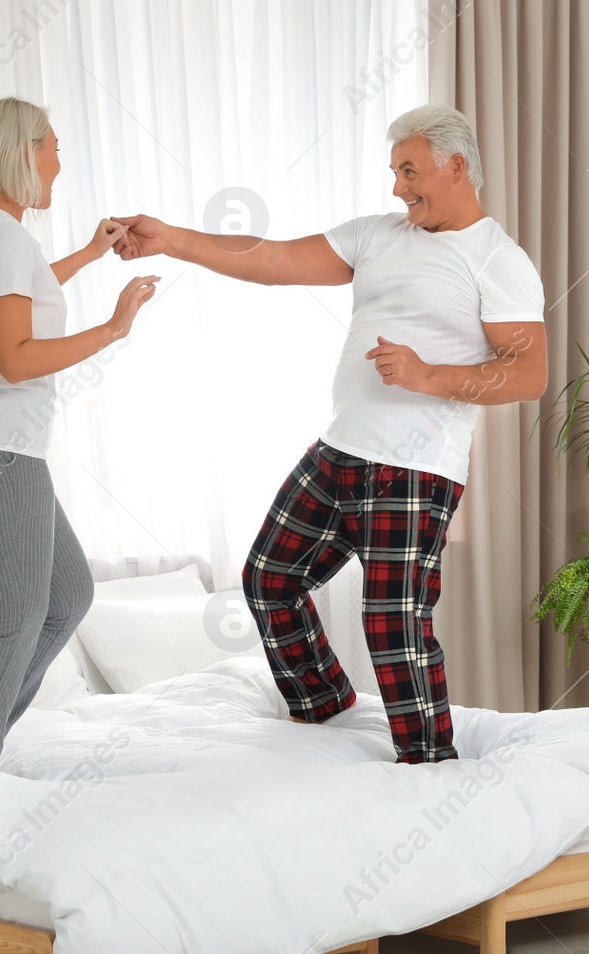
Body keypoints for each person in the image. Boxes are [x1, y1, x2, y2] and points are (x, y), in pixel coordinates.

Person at [115, 105, 547, 763]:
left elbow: (530, 374)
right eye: (395, 171)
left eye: (410, 170)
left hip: (416, 467)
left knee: (392, 624)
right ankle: (327, 711)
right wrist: (171, 237)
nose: (399, 186)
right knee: (269, 576)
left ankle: (430, 767)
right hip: (341, 450)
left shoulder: (497, 259)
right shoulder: (378, 235)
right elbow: (271, 259)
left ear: (456, 167)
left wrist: (428, 374)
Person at [0, 96, 158, 774]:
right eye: (52, 147)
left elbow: (20, 295)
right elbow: (15, 355)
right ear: (24, 152)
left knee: (69, 592)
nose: (59, 162)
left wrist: (87, 252)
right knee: (13, 619)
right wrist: (113, 328)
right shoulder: (3, 235)